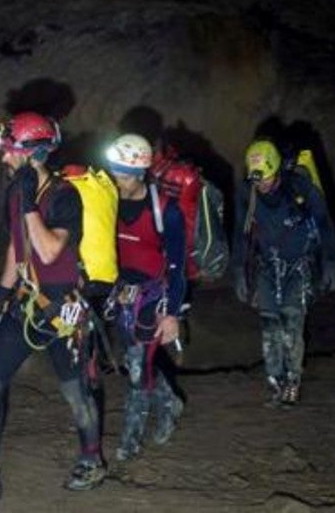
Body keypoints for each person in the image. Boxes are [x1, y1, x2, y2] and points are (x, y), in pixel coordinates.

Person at [0, 113, 105, 507]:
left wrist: (30, 201)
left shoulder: (66, 196)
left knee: (75, 392)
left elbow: (50, 250)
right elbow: (18, 247)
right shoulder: (17, 191)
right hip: (25, 304)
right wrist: (1, 297)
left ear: (31, 152)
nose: (3, 159)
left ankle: (91, 459)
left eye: (10, 150)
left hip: (62, 311)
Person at [233, 139, 335, 406]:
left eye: (267, 179)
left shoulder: (299, 187)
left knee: (292, 325)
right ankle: (275, 382)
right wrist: (238, 271)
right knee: (270, 326)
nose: (263, 185)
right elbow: (241, 234)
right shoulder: (249, 192)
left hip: (299, 264)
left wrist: (330, 263)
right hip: (267, 265)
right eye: (258, 180)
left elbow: (324, 222)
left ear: (278, 170)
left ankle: (293, 380)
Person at [103, 134, 187, 461]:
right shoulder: (108, 200)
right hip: (121, 294)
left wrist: (173, 313)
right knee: (135, 361)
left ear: (139, 175)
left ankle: (129, 442)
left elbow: (178, 267)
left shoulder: (166, 210)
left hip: (154, 296)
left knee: (138, 370)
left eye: (121, 176)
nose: (115, 181)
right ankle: (170, 401)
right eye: (113, 173)